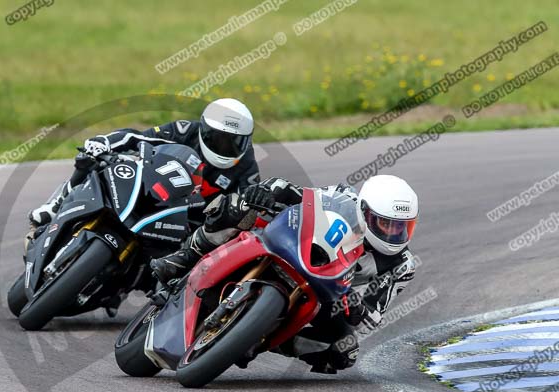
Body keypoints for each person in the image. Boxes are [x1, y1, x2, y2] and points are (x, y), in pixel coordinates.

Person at [153, 174, 419, 374]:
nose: (394, 233)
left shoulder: (402, 265)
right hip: (297, 245)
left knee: (344, 350)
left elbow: (373, 318)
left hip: (333, 292)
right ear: (364, 211)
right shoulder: (343, 197)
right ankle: (183, 258)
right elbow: (297, 193)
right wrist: (265, 191)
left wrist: (360, 307)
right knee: (238, 207)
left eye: (402, 227)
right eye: (385, 223)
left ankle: (261, 338)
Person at [29, 98, 261, 227]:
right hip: (152, 187)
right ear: (204, 130)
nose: (224, 148)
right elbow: (137, 136)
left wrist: (251, 209)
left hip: (188, 218)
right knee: (94, 162)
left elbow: (250, 207)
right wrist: (105, 142)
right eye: (218, 140)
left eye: (233, 143)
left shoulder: (246, 166)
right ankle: (57, 205)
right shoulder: (185, 130)